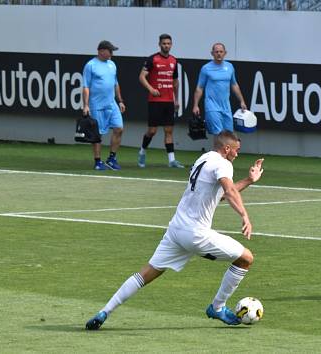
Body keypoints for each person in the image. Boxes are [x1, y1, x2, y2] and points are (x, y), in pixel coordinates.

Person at [85, 131, 264, 329]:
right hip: (196, 234)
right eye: (237, 150)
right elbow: (228, 191)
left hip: (176, 230)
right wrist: (244, 216)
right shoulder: (224, 164)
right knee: (245, 258)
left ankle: (104, 312)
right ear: (227, 148)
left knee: (146, 273)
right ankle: (218, 307)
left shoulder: (203, 159)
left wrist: (248, 180)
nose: (237, 155)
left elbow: (219, 195)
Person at [137, 33, 184, 169]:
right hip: (155, 101)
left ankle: (171, 160)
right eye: (164, 43)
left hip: (169, 101)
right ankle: (142, 152)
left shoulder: (174, 60)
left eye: (168, 43)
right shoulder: (152, 59)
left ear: (171, 45)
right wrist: (151, 89)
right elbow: (142, 77)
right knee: (152, 131)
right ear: (159, 44)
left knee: (169, 130)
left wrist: (176, 99)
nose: (166, 46)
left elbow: (175, 82)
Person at [82, 40, 126, 171]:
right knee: (97, 134)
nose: (112, 53)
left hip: (112, 104)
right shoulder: (90, 65)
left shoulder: (112, 64)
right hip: (96, 105)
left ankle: (111, 159)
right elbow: (86, 86)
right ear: (101, 51)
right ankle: (97, 161)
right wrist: (86, 105)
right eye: (110, 50)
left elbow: (115, 84)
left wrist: (120, 101)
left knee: (119, 128)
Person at [192, 42, 247, 135]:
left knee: (228, 134)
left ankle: (223, 150)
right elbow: (200, 88)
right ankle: (217, 150)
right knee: (218, 134)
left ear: (225, 53)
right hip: (212, 106)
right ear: (212, 53)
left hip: (226, 107)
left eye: (221, 51)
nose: (219, 53)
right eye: (216, 51)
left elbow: (234, 85)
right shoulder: (206, 68)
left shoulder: (229, 67)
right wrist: (195, 105)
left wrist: (242, 101)